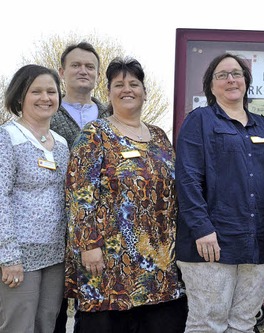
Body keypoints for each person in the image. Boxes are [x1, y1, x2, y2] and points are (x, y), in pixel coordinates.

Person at [65, 57, 187, 333]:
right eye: (118, 84)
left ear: (145, 92)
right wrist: (88, 246)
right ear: (108, 93)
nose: (127, 89)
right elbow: (79, 193)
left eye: (134, 83)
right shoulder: (94, 134)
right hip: (107, 264)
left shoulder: (159, 137)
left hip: (159, 264)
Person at [175, 53, 264, 333]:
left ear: (246, 81)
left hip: (257, 243)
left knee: (244, 324)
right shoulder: (199, 121)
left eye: (237, 73)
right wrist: (201, 228)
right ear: (211, 85)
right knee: (208, 324)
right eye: (222, 75)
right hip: (211, 242)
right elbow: (187, 178)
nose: (231, 79)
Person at [0, 64, 68, 333]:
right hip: (19, 255)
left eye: (51, 91)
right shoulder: (7, 138)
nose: (45, 97)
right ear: (20, 97)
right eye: (36, 91)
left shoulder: (62, 144)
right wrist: (8, 256)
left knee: (46, 325)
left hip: (54, 255)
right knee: (18, 326)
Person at [51, 41, 110, 333]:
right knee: (54, 311)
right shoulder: (45, 113)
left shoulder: (112, 117)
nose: (83, 71)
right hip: (54, 227)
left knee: (96, 311)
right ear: (62, 71)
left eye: (90, 67)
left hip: (99, 232)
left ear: (98, 75)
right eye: (76, 65)